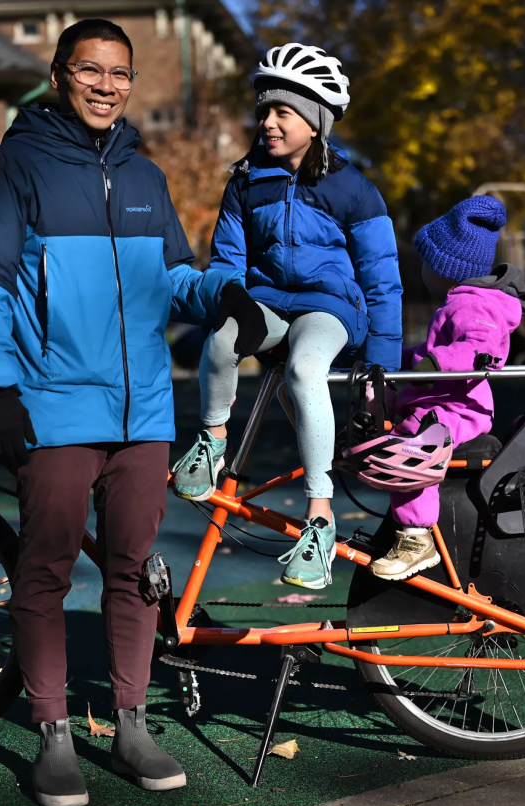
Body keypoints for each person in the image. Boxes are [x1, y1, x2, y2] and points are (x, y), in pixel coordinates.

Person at [0, 19, 240, 806]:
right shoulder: (9, 168)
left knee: (135, 574)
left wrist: (223, 295)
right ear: (58, 72)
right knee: (44, 570)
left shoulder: (145, 176)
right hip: (51, 406)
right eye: (91, 70)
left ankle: (131, 723)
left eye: (120, 72)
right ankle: (51, 731)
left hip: (142, 409)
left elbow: (174, 276)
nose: (107, 85)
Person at [171, 43, 403, 591]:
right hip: (269, 301)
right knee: (223, 337)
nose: (268, 122)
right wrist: (233, 299)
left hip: (329, 308)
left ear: (317, 121)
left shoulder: (352, 189)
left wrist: (381, 370)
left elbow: (382, 277)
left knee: (303, 371)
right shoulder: (248, 182)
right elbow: (228, 260)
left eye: (284, 112)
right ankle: (211, 441)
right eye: (264, 111)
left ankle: (319, 521)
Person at [367, 196, 525, 580]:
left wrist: (433, 365)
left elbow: (479, 351)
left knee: (415, 444)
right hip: (447, 400)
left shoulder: (474, 306)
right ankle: (360, 437)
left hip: (460, 409)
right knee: (386, 396)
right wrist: (404, 359)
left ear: (445, 268)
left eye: (427, 261)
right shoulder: (461, 301)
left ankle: (416, 538)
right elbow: (434, 353)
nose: (423, 269)